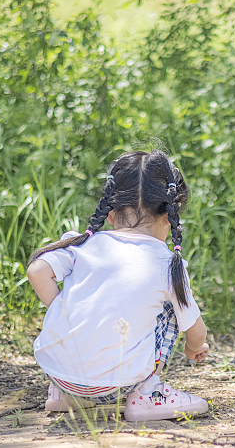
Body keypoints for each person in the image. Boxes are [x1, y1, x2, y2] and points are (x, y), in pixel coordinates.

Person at [25, 150, 211, 421]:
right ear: (169, 216)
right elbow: (196, 330)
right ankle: (147, 395)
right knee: (171, 304)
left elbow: (37, 271)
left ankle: (67, 396)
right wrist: (194, 348)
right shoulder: (167, 265)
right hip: (119, 385)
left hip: (58, 373)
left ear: (110, 213)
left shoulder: (83, 244)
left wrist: (63, 312)